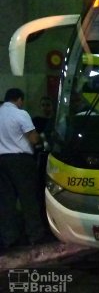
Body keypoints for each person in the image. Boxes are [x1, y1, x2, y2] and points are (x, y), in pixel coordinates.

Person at [0, 88, 50, 249]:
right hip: (20, 160)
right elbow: (34, 139)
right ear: (19, 99)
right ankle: (35, 235)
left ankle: (9, 238)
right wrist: (41, 139)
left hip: (2, 161)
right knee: (28, 198)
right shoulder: (21, 114)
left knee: (7, 201)